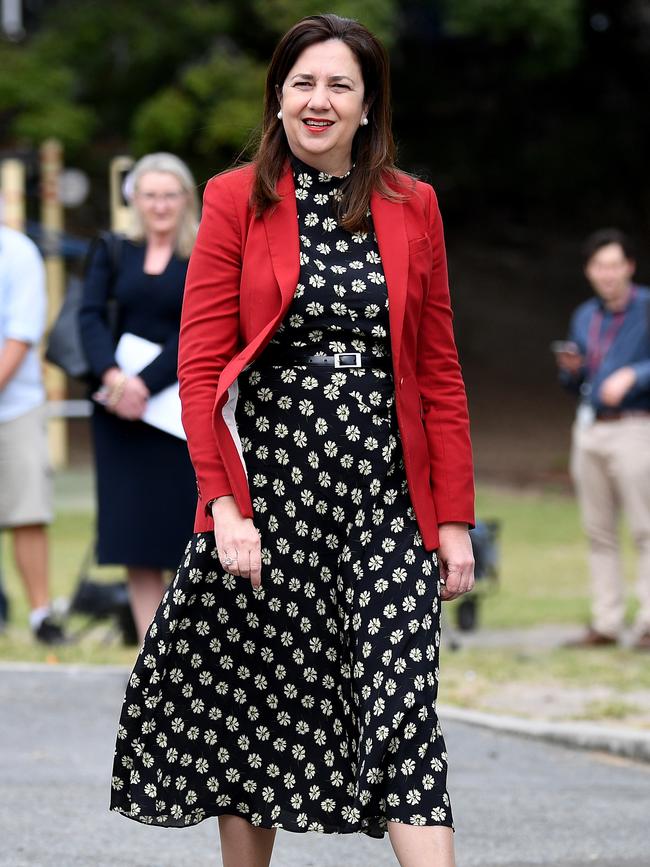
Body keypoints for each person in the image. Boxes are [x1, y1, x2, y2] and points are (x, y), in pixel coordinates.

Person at [110, 15, 475, 867]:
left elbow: (439, 370)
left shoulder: (411, 203)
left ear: (366, 103)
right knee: (256, 714)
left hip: (385, 500)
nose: (319, 101)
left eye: (339, 85)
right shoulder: (236, 197)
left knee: (403, 706)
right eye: (303, 83)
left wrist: (452, 516)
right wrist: (225, 507)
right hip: (269, 503)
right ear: (278, 98)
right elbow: (200, 369)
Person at [79, 152, 199, 642]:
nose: (160, 204)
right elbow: (87, 316)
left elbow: (196, 328)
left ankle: (187, 650)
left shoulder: (201, 252)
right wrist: (114, 380)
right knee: (134, 535)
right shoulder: (112, 250)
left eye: (170, 194)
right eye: (150, 195)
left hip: (175, 411)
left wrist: (144, 384)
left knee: (180, 533)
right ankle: (151, 655)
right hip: (119, 412)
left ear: (186, 199)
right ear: (134, 200)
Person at [556, 228, 650, 650]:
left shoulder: (646, 308)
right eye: (599, 266)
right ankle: (606, 623)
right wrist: (571, 370)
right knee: (598, 531)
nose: (607, 274)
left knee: (645, 529)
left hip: (635, 425)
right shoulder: (584, 316)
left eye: (615, 265)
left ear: (629, 266)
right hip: (591, 428)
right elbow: (574, 384)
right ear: (589, 271)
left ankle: (648, 624)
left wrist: (636, 374)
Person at [0, 223, 65, 644]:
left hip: (16, 405)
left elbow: (20, 337)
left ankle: (41, 614)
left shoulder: (17, 252)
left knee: (26, 512)